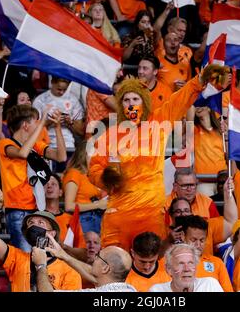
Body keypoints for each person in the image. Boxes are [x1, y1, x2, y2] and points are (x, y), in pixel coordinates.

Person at [89, 64, 230, 251]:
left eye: (135, 98)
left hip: (151, 215)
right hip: (119, 216)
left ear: (144, 102)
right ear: (121, 105)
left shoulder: (157, 124)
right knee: (115, 267)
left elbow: (178, 101)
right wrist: (106, 177)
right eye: (126, 100)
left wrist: (200, 80)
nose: (131, 103)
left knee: (153, 265)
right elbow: (94, 169)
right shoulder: (109, 136)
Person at [0, 186, 82, 292]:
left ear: (52, 233)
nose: (34, 225)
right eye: (31, 223)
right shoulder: (16, 258)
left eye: (41, 223)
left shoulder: (69, 271)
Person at [0, 104, 66, 251]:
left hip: (36, 209)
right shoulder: (5, 143)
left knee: (38, 257)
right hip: (17, 210)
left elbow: (61, 157)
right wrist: (43, 122)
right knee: (25, 257)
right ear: (26, 125)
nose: (40, 127)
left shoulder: (35, 145)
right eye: (36, 122)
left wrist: (58, 128)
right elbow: (22, 153)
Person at [34, 235, 136, 292]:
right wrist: (64, 255)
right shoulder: (131, 290)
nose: (95, 258)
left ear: (105, 269)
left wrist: (41, 265)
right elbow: (92, 274)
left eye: (98, 256)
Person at [62, 140, 107, 234]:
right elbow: (69, 206)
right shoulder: (74, 174)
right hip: (83, 220)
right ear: (83, 155)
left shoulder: (90, 176)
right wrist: (97, 205)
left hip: (95, 219)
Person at [32, 77, 85, 157]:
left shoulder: (73, 100)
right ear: (52, 82)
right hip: (45, 144)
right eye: (59, 89)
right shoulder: (40, 100)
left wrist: (70, 123)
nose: (61, 92)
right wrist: (51, 121)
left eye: (65, 90)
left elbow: (81, 131)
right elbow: (33, 129)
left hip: (68, 143)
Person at [180, 215, 233, 292]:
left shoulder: (217, 263)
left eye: (202, 240)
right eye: (193, 240)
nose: (198, 245)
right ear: (182, 236)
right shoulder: (170, 262)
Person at [148, 243, 224, 292]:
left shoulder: (210, 285)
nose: (187, 269)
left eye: (190, 263)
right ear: (169, 269)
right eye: (181, 263)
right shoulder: (156, 290)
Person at [187, 106, 226, 197]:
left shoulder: (220, 130)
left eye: (201, 104)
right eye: (195, 105)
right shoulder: (195, 129)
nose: (197, 107)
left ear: (209, 108)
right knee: (205, 209)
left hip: (222, 179)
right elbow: (189, 119)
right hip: (203, 180)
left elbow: (227, 154)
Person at [44, 174, 86, 249]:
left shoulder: (71, 219)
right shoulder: (34, 218)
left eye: (53, 184)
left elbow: (82, 252)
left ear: (60, 192)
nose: (49, 186)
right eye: (45, 184)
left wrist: (64, 248)